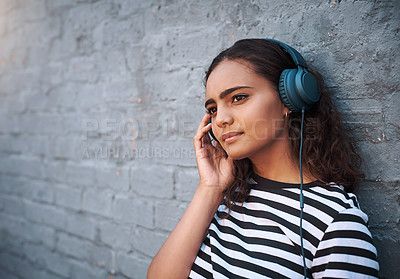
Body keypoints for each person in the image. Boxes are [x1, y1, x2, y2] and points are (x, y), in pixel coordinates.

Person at [147, 39, 379, 278]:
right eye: (213, 108)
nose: (220, 120)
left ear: (289, 99)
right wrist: (210, 189)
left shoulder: (336, 223)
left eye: (238, 98)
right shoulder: (229, 197)